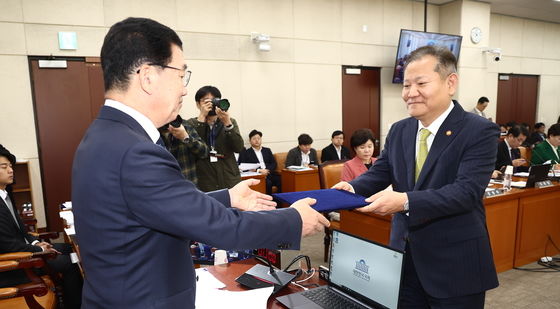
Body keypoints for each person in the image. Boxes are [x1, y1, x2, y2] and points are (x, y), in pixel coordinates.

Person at [71, 17, 329, 308]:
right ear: (147, 76)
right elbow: (222, 229)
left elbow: (159, 206)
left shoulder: (104, 134)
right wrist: (293, 220)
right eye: (181, 75)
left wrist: (228, 196)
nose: (183, 89)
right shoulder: (134, 150)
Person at [333, 46, 499, 308]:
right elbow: (381, 172)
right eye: (406, 85)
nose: (410, 93)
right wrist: (351, 188)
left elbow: (466, 193)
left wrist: (405, 201)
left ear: (450, 83)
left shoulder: (480, 130)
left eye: (421, 83)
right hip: (403, 260)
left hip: (454, 265)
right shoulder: (400, 130)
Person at [0, 145, 83, 308]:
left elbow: (20, 231)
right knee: (70, 263)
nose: (11, 170)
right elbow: (6, 244)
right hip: (14, 266)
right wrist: (39, 250)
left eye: (10, 166)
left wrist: (35, 243)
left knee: (69, 249)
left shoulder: (5, 194)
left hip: (23, 250)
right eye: (4, 167)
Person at [186, 86, 243, 192]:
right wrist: (202, 119)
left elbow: (239, 147)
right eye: (206, 101)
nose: (211, 104)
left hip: (229, 178)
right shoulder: (191, 124)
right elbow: (196, 149)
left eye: (214, 100)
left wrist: (228, 124)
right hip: (206, 180)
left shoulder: (230, 121)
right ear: (198, 104)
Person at [159, 116, 208, 184]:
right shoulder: (153, 130)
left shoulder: (184, 125)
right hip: (165, 185)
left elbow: (204, 152)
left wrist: (185, 137)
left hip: (188, 183)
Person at [238, 129, 281, 194]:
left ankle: (281, 202)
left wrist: (267, 170)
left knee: (282, 180)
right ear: (250, 141)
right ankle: (269, 203)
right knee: (268, 183)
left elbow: (273, 163)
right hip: (257, 176)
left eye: (258, 138)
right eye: (254, 138)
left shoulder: (267, 150)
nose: (257, 140)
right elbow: (243, 167)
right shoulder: (245, 153)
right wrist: (259, 170)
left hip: (269, 173)